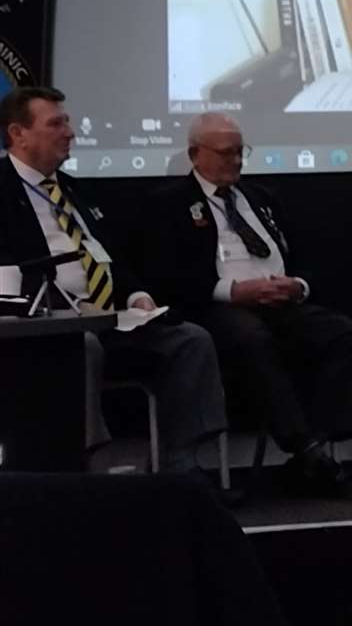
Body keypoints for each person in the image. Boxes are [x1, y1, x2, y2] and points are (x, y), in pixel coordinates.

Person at [0, 86, 227, 481]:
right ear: (18, 133)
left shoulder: (76, 189)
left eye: (67, 122)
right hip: (44, 327)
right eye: (56, 123)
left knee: (191, 340)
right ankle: (85, 468)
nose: (69, 132)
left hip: (109, 316)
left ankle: (181, 467)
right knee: (80, 345)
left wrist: (137, 295)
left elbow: (111, 257)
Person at [142, 113, 352, 497]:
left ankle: (314, 447)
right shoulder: (169, 204)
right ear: (195, 154)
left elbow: (307, 253)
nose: (235, 160)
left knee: (348, 336)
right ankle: (304, 446)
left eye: (240, 151)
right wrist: (233, 291)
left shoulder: (262, 198)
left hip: (280, 300)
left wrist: (297, 284)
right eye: (224, 152)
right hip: (218, 305)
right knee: (252, 339)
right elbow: (168, 275)